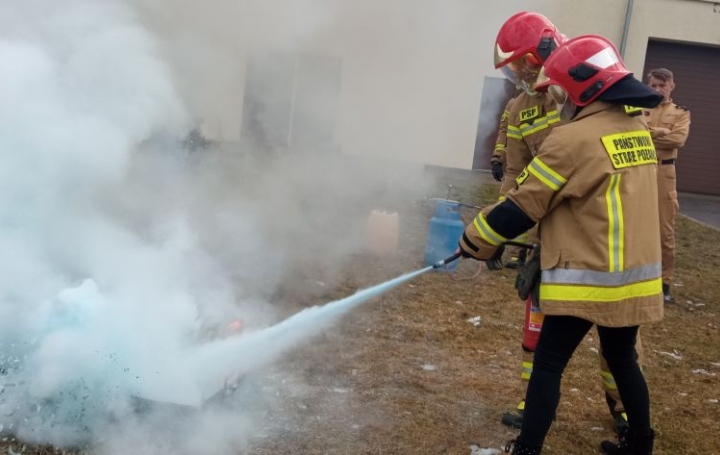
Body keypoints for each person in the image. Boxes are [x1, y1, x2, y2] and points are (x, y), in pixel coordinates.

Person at [459, 34, 664, 455]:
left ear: (582, 90)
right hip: (634, 274)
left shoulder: (572, 140)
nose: (557, 99)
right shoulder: (636, 127)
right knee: (623, 359)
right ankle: (640, 444)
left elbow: (523, 207)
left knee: (548, 363)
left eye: (561, 91)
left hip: (588, 275)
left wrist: (474, 239)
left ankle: (527, 448)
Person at [489, 12, 633, 436]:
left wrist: (557, 90)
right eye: (514, 66)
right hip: (547, 232)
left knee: (615, 333)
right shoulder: (518, 109)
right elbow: (516, 174)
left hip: (600, 230)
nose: (520, 73)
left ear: (548, 50)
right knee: (538, 323)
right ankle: (532, 400)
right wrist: (499, 228)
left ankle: (624, 409)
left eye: (524, 62)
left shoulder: (586, 92)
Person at [644, 68, 691, 303]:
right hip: (639, 169)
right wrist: (661, 132)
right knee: (633, 223)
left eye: (661, 85)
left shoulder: (681, 113)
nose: (657, 89)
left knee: (664, 229)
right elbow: (631, 132)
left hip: (664, 171)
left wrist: (649, 132)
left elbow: (678, 139)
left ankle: (663, 282)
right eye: (652, 85)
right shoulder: (638, 109)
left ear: (672, 85)